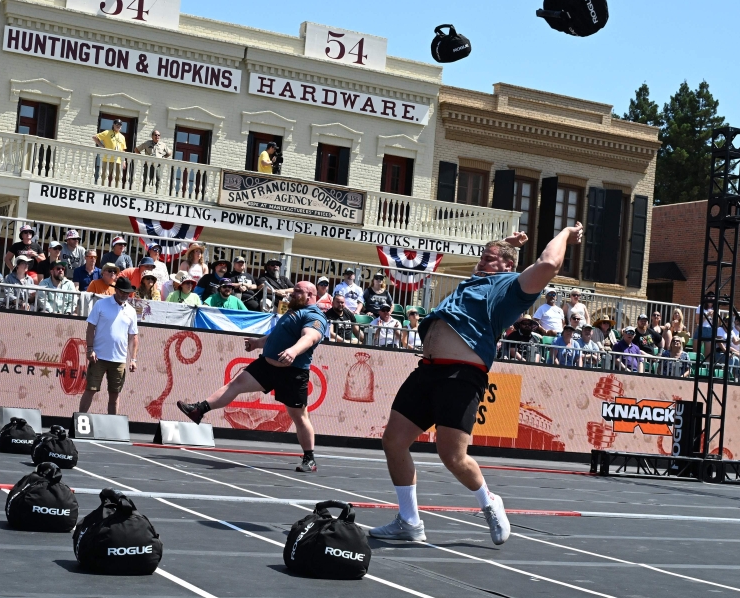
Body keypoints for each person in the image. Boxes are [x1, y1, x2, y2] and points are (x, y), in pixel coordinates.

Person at [369, 222, 583, 545]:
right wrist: (501, 244)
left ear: (508, 266)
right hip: (427, 370)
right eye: (482, 257)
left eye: (488, 258)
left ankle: (489, 501)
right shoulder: (473, 283)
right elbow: (485, 264)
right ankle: (409, 521)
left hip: (461, 376)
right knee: (393, 441)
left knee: (452, 456)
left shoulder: (510, 288)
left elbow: (549, 264)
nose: (480, 262)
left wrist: (566, 233)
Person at [177, 281, 327, 472]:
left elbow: (310, 337)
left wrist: (293, 351)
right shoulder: (292, 311)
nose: (292, 294)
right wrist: (258, 343)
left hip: (292, 372)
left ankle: (309, 459)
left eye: (298, 291)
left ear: (310, 295)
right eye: (293, 290)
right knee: (236, 383)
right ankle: (199, 410)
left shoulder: (314, 316)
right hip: (267, 365)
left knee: (299, 416)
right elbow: (276, 336)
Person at [81, 276, 138, 415]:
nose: (125, 295)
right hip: (98, 357)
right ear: (116, 290)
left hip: (119, 360)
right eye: (123, 291)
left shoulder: (131, 311)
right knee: (91, 389)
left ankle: (112, 426)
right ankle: (79, 421)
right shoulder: (101, 304)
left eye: (127, 292)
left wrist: (133, 359)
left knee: (115, 394)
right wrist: (90, 349)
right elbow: (90, 328)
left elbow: (133, 336)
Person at [93, 119, 128, 185]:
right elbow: (95, 137)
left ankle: (116, 190)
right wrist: (101, 145)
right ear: (113, 125)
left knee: (118, 177)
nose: (118, 125)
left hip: (118, 160)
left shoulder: (122, 137)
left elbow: (123, 149)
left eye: (120, 124)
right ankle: (102, 188)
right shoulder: (107, 132)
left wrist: (124, 161)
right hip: (107, 159)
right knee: (104, 176)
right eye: (116, 124)